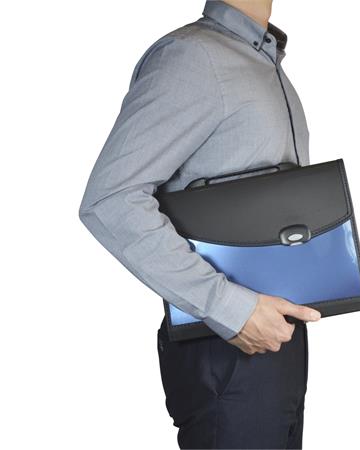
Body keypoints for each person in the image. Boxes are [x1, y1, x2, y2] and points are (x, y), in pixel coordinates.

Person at [79, 0, 321, 448]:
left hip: (274, 340)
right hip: (224, 348)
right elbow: (110, 199)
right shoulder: (193, 57)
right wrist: (232, 309)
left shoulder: (265, 63)